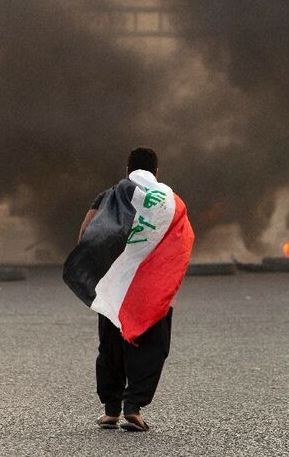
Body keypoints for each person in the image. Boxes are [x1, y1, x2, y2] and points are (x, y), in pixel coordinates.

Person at [66, 147, 194, 432]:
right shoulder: (170, 203)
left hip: (115, 284)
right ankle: (133, 408)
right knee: (151, 343)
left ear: (127, 171)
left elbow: (86, 234)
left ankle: (111, 411)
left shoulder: (111, 195)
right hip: (149, 287)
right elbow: (181, 242)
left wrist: (100, 268)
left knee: (111, 343)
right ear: (156, 172)